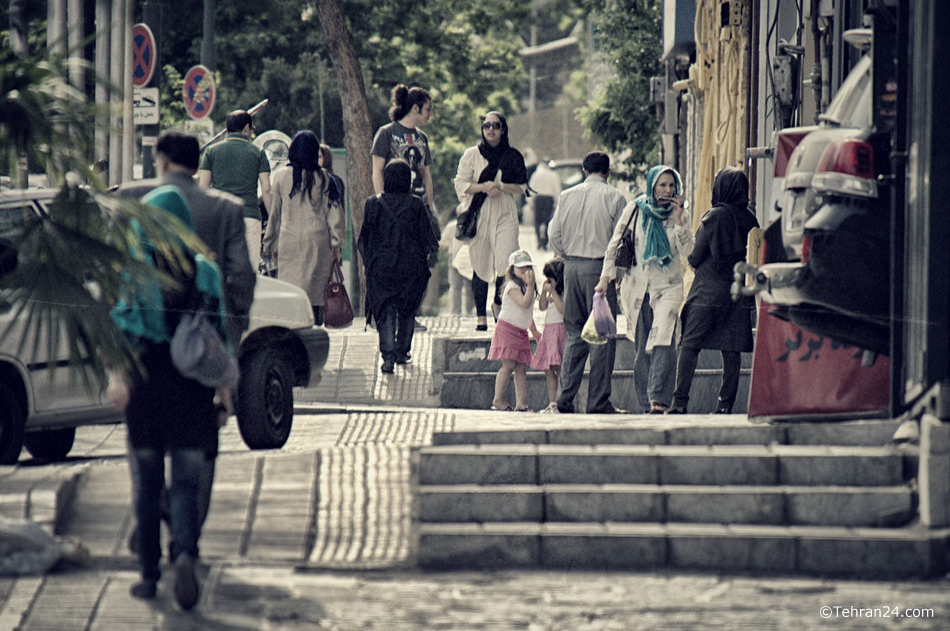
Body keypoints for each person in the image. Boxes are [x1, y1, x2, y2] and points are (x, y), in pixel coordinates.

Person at [117, 130, 257, 561]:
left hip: (146, 363)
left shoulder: (132, 201)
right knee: (196, 462)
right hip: (201, 357)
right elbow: (242, 280)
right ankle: (186, 541)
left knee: (147, 462)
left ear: (160, 160)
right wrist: (224, 355)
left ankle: (152, 538)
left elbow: (118, 290)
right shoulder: (225, 209)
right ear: (198, 165)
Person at [107, 186, 233, 610]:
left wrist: (117, 380)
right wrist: (224, 392)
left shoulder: (135, 272)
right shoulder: (206, 273)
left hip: (144, 386)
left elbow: (122, 330)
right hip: (192, 388)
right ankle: (184, 554)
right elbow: (219, 337)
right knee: (185, 484)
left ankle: (148, 575)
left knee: (146, 487)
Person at [595, 165, 693, 414]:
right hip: (638, 287)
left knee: (663, 342)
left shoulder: (680, 212)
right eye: (662, 185)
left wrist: (680, 222)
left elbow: (688, 251)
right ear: (652, 186)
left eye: (672, 185)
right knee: (641, 348)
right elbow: (615, 243)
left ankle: (657, 399)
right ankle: (644, 400)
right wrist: (605, 278)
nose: (668, 190)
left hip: (668, 287)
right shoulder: (636, 209)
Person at [668, 166, 760, 414]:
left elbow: (695, 258)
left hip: (707, 291)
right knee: (731, 350)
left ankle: (679, 403)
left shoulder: (713, 217)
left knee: (690, 344)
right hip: (737, 291)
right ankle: (725, 406)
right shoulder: (751, 219)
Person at [548, 151, 627, 414]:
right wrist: (617, 274)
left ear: (584, 170)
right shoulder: (615, 197)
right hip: (599, 271)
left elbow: (554, 233)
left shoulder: (566, 196)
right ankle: (597, 402)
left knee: (574, 333)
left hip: (571, 269)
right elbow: (620, 241)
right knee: (601, 337)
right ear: (608, 172)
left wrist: (565, 256)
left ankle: (565, 396)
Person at [358, 159, 438, 373]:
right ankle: (402, 351)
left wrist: (368, 265)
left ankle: (388, 356)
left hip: (382, 267)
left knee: (385, 310)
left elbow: (366, 238)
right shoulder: (416, 204)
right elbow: (427, 239)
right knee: (407, 310)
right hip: (410, 268)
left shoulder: (373, 204)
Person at [453, 111, 529, 331]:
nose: (490, 130)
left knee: (504, 262)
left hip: (505, 211)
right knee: (480, 261)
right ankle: (480, 316)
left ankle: (497, 303)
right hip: (480, 212)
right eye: (486, 126)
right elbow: (461, 183)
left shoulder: (513, 156)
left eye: (495, 126)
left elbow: (522, 187)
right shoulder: (472, 155)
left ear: (503, 129)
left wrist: (500, 186)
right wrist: (483, 187)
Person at [371, 85, 439, 329]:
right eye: (427, 109)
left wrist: (430, 206)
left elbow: (426, 174)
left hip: (417, 207)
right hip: (393, 205)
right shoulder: (386, 133)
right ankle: (393, 316)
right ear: (415, 108)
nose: (430, 114)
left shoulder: (422, 138)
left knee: (417, 262)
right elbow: (377, 170)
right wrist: (381, 200)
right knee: (395, 261)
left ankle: (410, 314)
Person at [262, 131, 345, 325]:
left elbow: (274, 216)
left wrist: (269, 245)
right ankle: (314, 327)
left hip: (288, 240)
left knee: (291, 290)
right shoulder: (323, 177)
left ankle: (295, 329)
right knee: (315, 291)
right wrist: (336, 244)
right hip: (318, 242)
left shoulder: (281, 177)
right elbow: (334, 213)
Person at [198, 109, 272, 272]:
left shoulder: (211, 152)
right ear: (246, 128)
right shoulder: (258, 152)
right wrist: (273, 218)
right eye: (252, 130)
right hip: (249, 217)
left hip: (220, 217)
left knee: (220, 270)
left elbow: (203, 188)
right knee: (250, 273)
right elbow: (266, 189)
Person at [488, 249, 537, 411]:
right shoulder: (512, 286)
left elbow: (527, 312)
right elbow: (523, 302)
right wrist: (530, 286)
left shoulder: (527, 287)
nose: (524, 271)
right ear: (512, 270)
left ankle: (521, 404)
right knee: (508, 365)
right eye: (520, 268)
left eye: (527, 267)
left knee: (521, 367)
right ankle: (497, 399)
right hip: (507, 329)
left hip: (521, 332)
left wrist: (534, 331)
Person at [530, 258, 566, 413]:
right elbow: (542, 307)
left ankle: (561, 402)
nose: (549, 283)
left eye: (551, 280)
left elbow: (562, 309)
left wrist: (553, 293)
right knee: (548, 369)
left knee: (560, 368)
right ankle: (553, 403)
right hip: (549, 332)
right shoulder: (551, 293)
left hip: (560, 331)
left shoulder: (563, 293)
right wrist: (545, 293)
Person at [528, 159, 561, 250]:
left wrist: (530, 202)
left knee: (537, 222)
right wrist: (557, 202)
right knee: (548, 221)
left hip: (538, 199)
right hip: (548, 200)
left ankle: (539, 240)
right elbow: (557, 189)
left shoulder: (536, 175)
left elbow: (530, 189)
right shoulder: (553, 175)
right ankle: (545, 241)